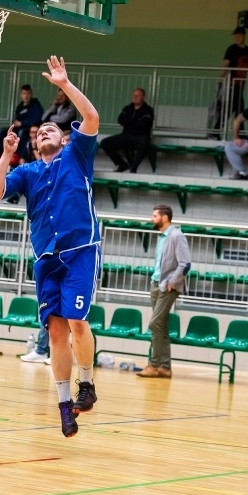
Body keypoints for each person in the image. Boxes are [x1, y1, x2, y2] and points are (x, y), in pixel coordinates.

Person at [0, 56, 101, 438]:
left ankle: (87, 380)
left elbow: (92, 117)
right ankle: (65, 404)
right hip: (46, 258)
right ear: (36, 146)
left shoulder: (77, 156)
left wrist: (65, 84)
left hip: (81, 250)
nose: (46, 132)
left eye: (52, 129)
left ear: (64, 139)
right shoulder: (27, 172)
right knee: (55, 333)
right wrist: (6, 155)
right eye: (41, 133)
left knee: (77, 321)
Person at [136, 205, 191, 379]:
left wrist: (172, 283)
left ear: (164, 218)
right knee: (160, 327)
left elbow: (185, 263)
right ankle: (165, 368)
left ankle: (154, 365)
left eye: (154, 216)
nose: (152, 219)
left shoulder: (177, 235)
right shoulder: (162, 237)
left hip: (167, 286)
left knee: (155, 323)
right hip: (156, 283)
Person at [211, 26, 248, 137]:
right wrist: (221, 78)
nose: (237, 38)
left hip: (240, 84)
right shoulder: (231, 49)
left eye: (239, 36)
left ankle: (217, 131)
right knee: (239, 108)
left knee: (232, 109)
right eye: (235, 36)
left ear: (244, 36)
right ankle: (238, 133)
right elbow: (225, 63)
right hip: (231, 83)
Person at [99, 88, 155, 173]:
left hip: (140, 136)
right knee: (105, 142)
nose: (135, 97)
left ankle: (134, 168)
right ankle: (122, 164)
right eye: (134, 95)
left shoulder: (148, 110)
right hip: (126, 135)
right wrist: (136, 120)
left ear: (143, 97)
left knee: (145, 143)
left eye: (138, 95)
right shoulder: (128, 108)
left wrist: (130, 121)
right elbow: (120, 120)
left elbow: (145, 124)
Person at [0, 84, 43, 165]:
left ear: (31, 94)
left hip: (30, 129)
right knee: (0, 131)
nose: (26, 96)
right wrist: (15, 124)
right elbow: (17, 119)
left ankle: (17, 156)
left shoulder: (35, 104)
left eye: (28, 93)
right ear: (21, 95)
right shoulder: (20, 106)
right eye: (24, 93)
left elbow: (38, 119)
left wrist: (22, 123)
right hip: (19, 128)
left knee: (21, 132)